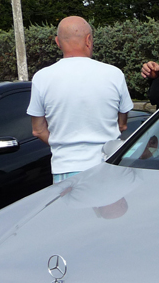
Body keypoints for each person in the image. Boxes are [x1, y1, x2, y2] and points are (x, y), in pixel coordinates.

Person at [27, 16, 133, 183]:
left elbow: (38, 130)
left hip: (65, 169)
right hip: (108, 165)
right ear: (88, 40)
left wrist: (64, 145)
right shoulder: (114, 74)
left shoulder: (41, 78)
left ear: (57, 42)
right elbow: (122, 124)